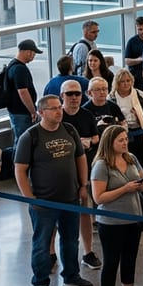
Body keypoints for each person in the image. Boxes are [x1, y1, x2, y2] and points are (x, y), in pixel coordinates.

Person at [15, 94, 93, 286]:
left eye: (59, 107)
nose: (59, 111)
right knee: (41, 244)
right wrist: (30, 198)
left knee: (70, 240)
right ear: (41, 112)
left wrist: (83, 185)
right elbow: (20, 170)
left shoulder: (69, 130)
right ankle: (40, 283)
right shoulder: (30, 136)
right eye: (53, 108)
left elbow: (80, 158)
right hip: (44, 202)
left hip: (70, 198)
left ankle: (71, 275)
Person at [89, 125, 143, 286]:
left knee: (130, 259)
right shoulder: (101, 165)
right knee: (111, 262)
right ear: (110, 142)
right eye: (121, 140)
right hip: (111, 222)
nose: (125, 143)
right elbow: (99, 197)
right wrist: (125, 188)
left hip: (133, 217)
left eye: (126, 139)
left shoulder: (131, 158)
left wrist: (142, 185)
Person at [59, 80, 101, 269]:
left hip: (84, 169)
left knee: (85, 209)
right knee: (55, 215)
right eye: (70, 94)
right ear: (62, 96)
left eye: (77, 94)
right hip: (60, 172)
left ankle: (87, 251)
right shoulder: (57, 116)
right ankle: (52, 253)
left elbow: (95, 136)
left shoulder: (86, 114)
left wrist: (88, 142)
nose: (74, 97)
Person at [108, 69, 143, 170]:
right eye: (122, 81)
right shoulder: (111, 97)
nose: (126, 84)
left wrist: (141, 117)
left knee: (140, 159)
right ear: (117, 83)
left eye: (128, 81)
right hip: (120, 132)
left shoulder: (138, 94)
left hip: (138, 131)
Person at [5, 39, 42, 140]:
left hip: (15, 111)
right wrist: (33, 111)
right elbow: (23, 92)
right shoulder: (20, 69)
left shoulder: (12, 65)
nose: (34, 56)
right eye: (34, 53)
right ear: (28, 52)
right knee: (23, 142)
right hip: (22, 113)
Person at [124, 16, 143, 90]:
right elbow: (127, 61)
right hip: (137, 79)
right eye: (140, 29)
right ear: (136, 29)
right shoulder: (132, 42)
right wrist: (140, 59)